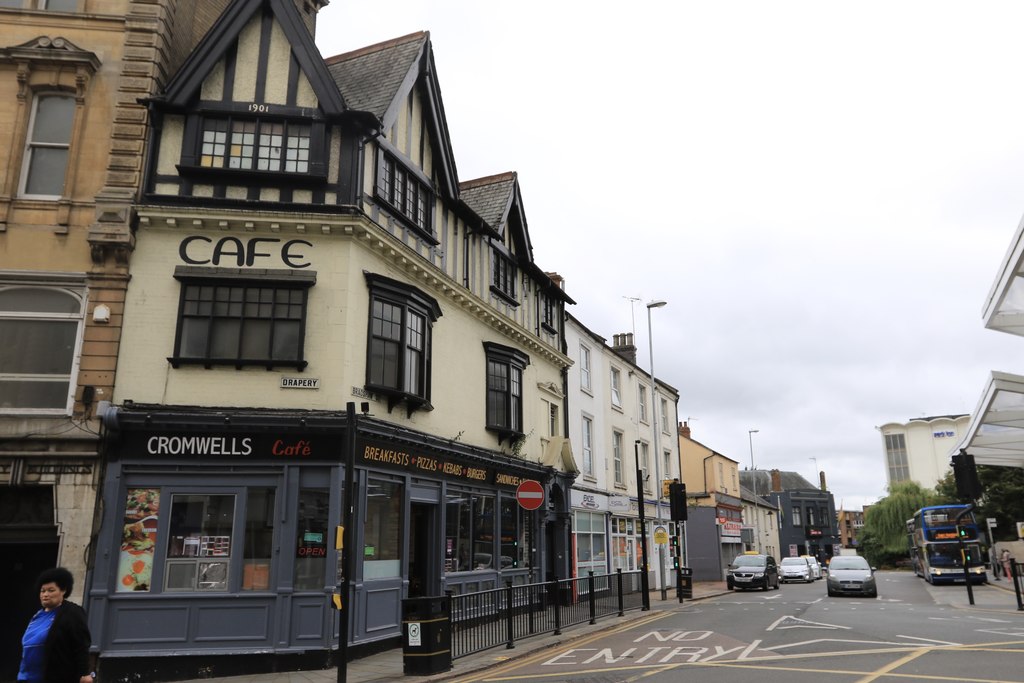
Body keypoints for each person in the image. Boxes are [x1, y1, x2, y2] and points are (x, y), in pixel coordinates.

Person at [18, 567, 94, 683]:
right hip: (28, 677)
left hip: (57, 677)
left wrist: (84, 674)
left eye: (51, 590)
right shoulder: (37, 616)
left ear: (63, 590)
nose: (45, 594)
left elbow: (81, 645)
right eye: (42, 591)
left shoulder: (72, 612)